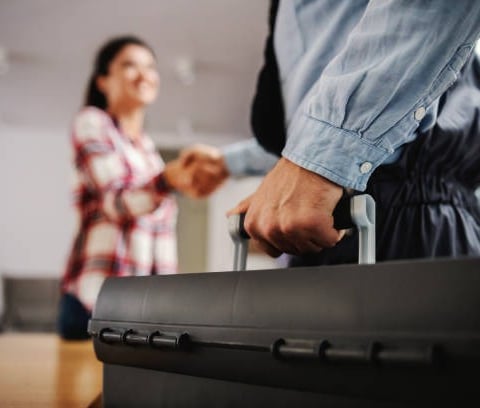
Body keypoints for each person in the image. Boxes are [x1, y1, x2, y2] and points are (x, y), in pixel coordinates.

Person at [184, 1, 480, 265]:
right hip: (327, 219)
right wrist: (228, 163)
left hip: (412, 216)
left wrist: (315, 162)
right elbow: (311, 132)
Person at [58, 36, 201, 340]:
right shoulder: (92, 123)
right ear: (103, 81)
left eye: (150, 66)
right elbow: (117, 201)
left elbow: (160, 235)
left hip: (141, 311)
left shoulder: (148, 150)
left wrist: (168, 303)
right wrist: (169, 180)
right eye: (129, 65)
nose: (144, 74)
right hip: (95, 303)